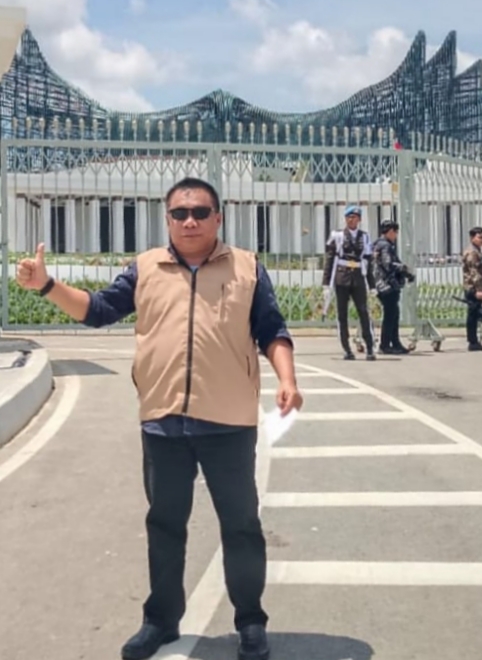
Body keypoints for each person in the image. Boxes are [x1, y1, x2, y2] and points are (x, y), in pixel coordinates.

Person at [16, 177, 303, 660]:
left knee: (241, 526)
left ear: (218, 218)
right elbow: (99, 310)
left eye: (200, 212)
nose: (189, 221)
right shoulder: (146, 268)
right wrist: (46, 285)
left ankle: (251, 621)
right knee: (165, 525)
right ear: (167, 218)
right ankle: (161, 621)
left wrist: (287, 379)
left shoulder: (247, 268)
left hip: (229, 422)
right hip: (163, 421)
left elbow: (272, 329)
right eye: (179, 213)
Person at [322, 205, 376, 360]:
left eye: (354, 217)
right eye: (349, 217)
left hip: (358, 277)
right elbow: (330, 260)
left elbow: (368, 261)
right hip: (342, 277)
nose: (351, 220)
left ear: (359, 220)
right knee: (342, 315)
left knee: (363, 312)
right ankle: (346, 348)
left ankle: (370, 347)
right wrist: (326, 283)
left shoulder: (364, 237)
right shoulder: (337, 236)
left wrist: (372, 284)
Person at [371, 219, 415, 355]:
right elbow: (388, 264)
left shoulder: (377, 244)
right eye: (395, 232)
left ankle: (395, 343)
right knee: (391, 315)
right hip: (387, 285)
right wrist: (404, 269)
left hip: (379, 284)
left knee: (393, 314)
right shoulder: (385, 246)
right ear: (390, 231)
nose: (396, 235)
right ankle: (385, 345)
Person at [462, 226, 482, 351]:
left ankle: (474, 341)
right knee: (473, 315)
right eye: (479, 237)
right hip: (473, 287)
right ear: (472, 238)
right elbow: (475, 272)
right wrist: (479, 289)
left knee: (475, 313)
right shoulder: (472, 252)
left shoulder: (477, 251)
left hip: (475, 286)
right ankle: (473, 341)